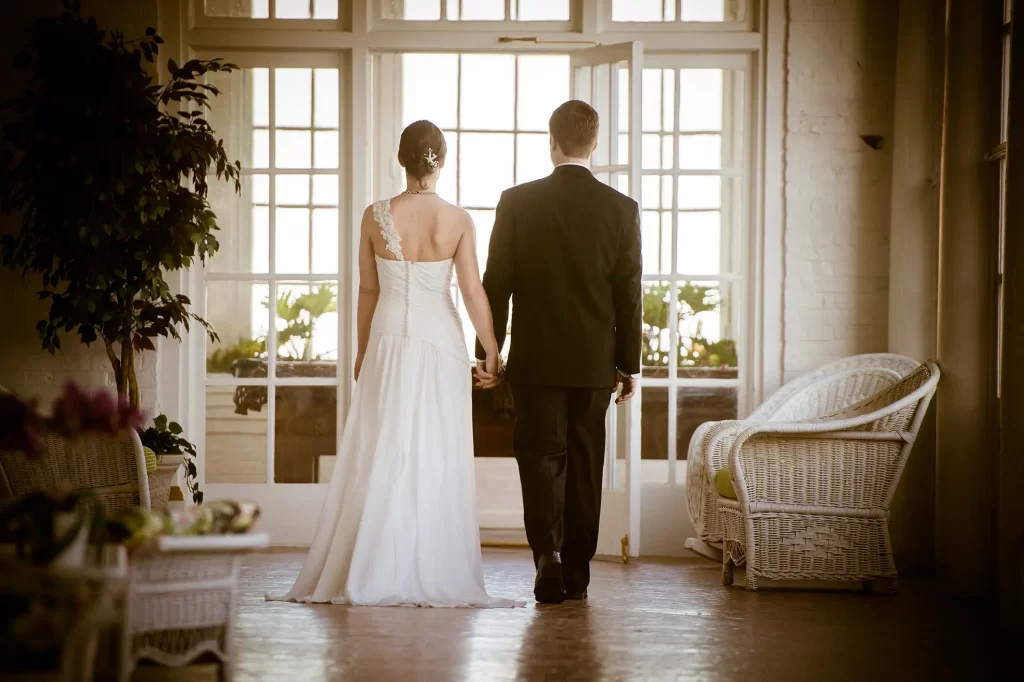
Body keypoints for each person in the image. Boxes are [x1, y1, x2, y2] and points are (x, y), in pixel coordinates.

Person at [267, 120, 519, 608]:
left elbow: (367, 290)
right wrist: (491, 348)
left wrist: (363, 349)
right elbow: (471, 292)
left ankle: (373, 563)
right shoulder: (459, 220)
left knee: (383, 445)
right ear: (441, 160)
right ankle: (430, 563)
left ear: (401, 160)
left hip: (386, 339)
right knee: (435, 447)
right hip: (441, 341)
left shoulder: (374, 216)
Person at [474, 100, 643, 604]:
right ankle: (577, 574)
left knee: (539, 459)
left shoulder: (516, 202)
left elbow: (495, 283)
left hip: (536, 363)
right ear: (595, 145)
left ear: (552, 143)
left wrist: (490, 352)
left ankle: (546, 555)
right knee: (587, 466)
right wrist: (627, 364)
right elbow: (628, 294)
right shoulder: (621, 209)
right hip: (594, 366)